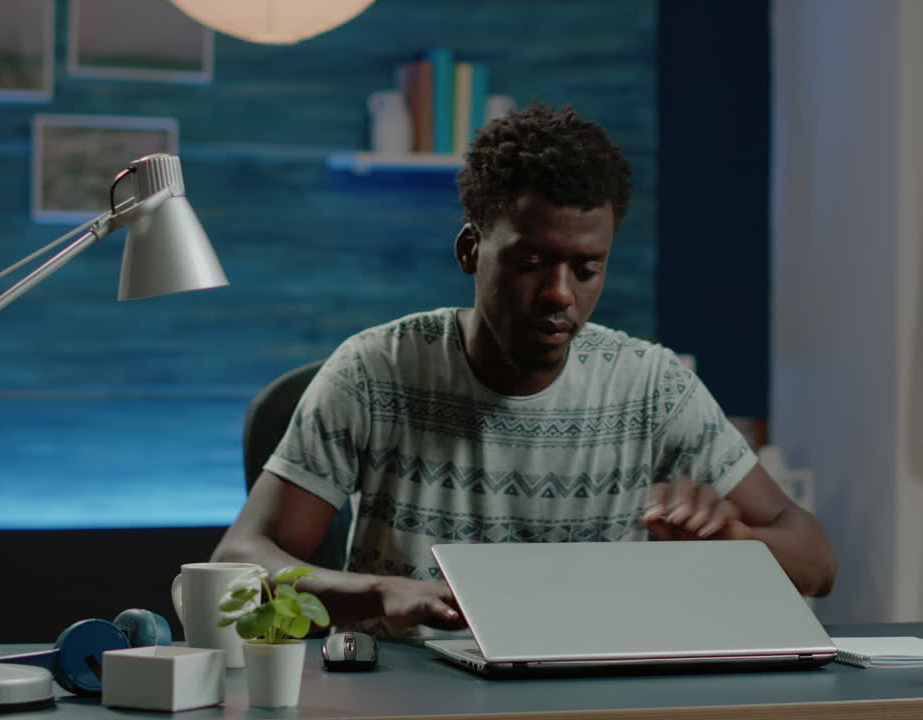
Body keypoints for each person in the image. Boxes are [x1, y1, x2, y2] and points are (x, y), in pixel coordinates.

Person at [212, 103, 836, 640]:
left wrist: (726, 541)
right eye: (532, 261)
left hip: (594, 690)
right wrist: (376, 593)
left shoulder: (653, 386)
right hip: (411, 690)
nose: (559, 293)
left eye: (586, 268)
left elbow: (816, 563)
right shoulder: (374, 373)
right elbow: (239, 559)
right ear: (470, 251)